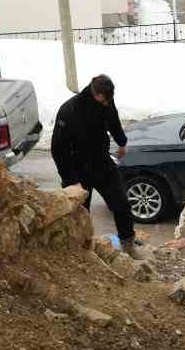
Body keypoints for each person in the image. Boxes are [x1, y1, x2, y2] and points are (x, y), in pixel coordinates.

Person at [50, 74, 136, 252]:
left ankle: (128, 243)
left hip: (102, 163)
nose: (107, 104)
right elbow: (58, 150)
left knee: (121, 204)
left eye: (109, 100)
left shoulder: (107, 100)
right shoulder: (70, 110)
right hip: (77, 168)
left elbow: (113, 121)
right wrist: (71, 180)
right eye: (104, 101)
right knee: (80, 214)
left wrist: (122, 142)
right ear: (95, 93)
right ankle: (81, 251)